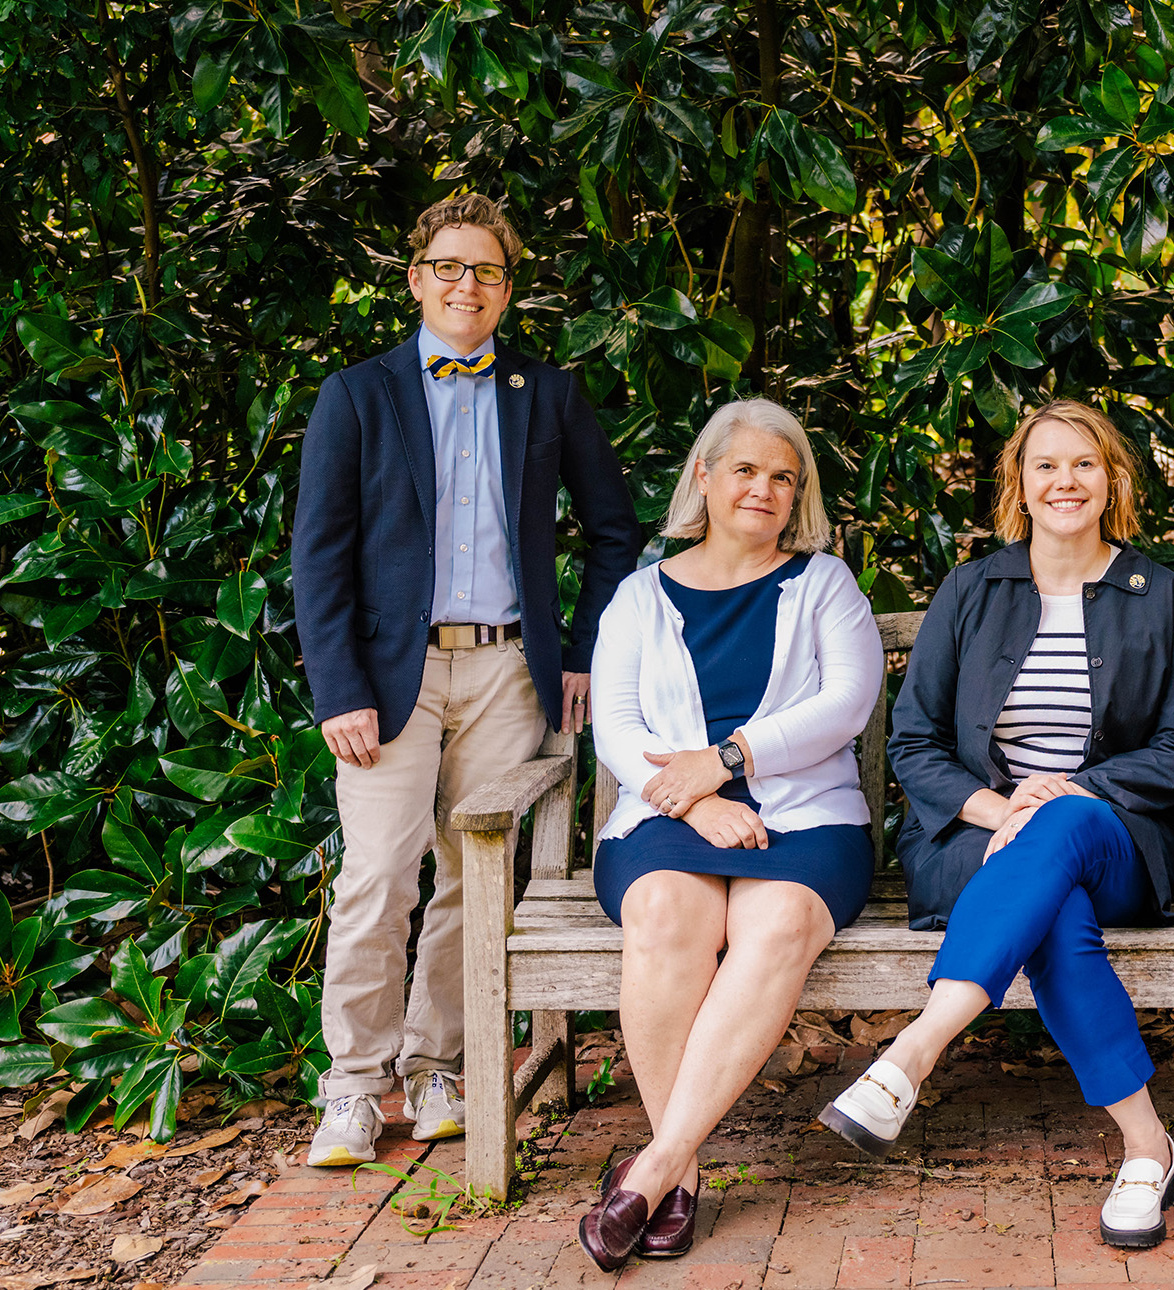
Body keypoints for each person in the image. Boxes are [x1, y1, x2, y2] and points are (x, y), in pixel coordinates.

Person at [293, 193, 639, 1168]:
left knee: (470, 873)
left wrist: (579, 652)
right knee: (377, 875)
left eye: (485, 270)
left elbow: (612, 533)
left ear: (506, 288)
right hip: (387, 676)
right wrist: (337, 689)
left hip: (505, 668)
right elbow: (318, 558)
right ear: (416, 279)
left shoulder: (548, 394)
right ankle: (353, 1088)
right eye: (448, 266)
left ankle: (436, 1065)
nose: (465, 285)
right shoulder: (358, 395)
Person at [819, 400, 1174, 1250]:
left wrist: (1068, 790)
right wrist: (1003, 808)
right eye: (1046, 466)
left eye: (1084, 464)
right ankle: (1146, 1147)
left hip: (1114, 839)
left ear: (1113, 480)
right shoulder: (973, 588)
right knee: (1054, 910)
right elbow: (914, 743)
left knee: (1059, 832)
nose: (1065, 481)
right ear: (1019, 486)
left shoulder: (1159, 595)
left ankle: (913, 1055)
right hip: (971, 840)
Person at [573, 399, 884, 1269]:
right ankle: (685, 1167)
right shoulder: (641, 596)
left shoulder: (824, 585)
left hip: (808, 819)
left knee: (777, 924)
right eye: (745, 470)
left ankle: (659, 1166)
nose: (765, 489)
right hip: (665, 816)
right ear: (704, 477)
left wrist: (730, 758)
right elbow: (618, 726)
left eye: (784, 478)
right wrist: (696, 797)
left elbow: (844, 705)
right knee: (671, 914)